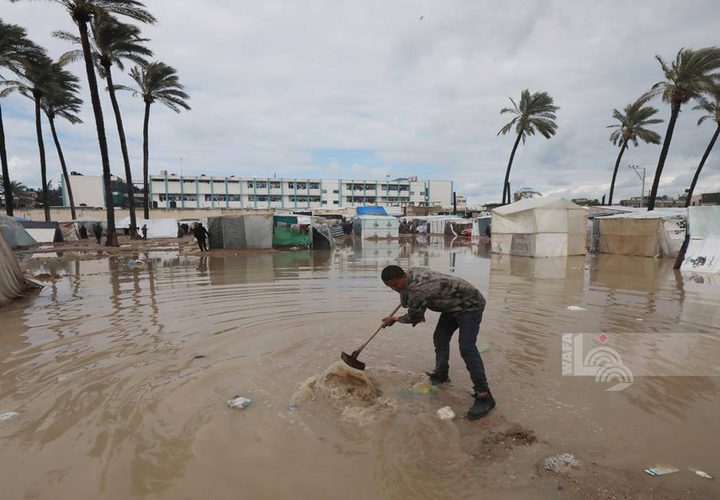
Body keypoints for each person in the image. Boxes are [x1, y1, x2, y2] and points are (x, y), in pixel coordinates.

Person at [380, 265, 495, 420]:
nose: (394, 288)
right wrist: (402, 293)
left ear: (403, 277)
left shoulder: (419, 290)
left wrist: (394, 319)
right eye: (390, 287)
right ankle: (441, 374)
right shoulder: (413, 272)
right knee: (440, 338)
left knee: (466, 347)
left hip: (470, 305)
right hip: (452, 304)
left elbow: (414, 317)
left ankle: (484, 395)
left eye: (395, 285)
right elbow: (407, 296)